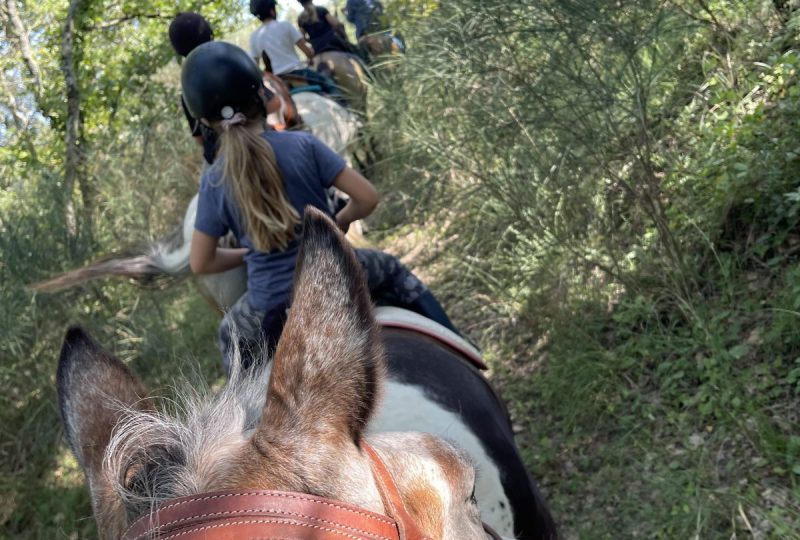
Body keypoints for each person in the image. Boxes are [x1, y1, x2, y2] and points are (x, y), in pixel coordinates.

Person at [182, 41, 460, 372]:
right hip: (338, 278)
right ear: (259, 94)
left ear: (204, 121)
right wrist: (338, 221)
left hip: (269, 306)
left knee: (229, 334)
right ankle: (462, 347)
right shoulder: (303, 144)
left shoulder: (213, 180)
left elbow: (201, 262)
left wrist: (248, 254)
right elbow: (367, 197)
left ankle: (246, 422)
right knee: (393, 270)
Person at [248, 0, 340, 98]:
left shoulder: (254, 37)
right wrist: (310, 56)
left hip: (277, 82)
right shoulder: (285, 25)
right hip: (299, 73)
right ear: (272, 11)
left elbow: (255, 67)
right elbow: (308, 53)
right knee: (331, 86)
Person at [168, 12, 218, 165]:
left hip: (219, 159)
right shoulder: (234, 60)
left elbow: (199, 138)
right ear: (209, 34)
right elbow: (272, 104)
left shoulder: (187, 89)